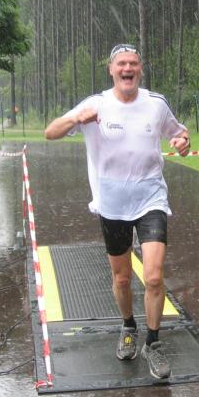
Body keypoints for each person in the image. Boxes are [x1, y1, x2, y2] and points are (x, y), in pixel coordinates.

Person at [44, 44, 190, 379]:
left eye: (133, 63)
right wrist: (75, 119)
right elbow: (50, 133)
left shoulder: (156, 104)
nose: (128, 69)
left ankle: (153, 342)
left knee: (153, 276)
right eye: (121, 64)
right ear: (111, 69)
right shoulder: (96, 104)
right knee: (122, 278)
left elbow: (180, 134)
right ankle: (128, 326)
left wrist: (184, 143)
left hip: (151, 198)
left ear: (140, 69)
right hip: (111, 203)